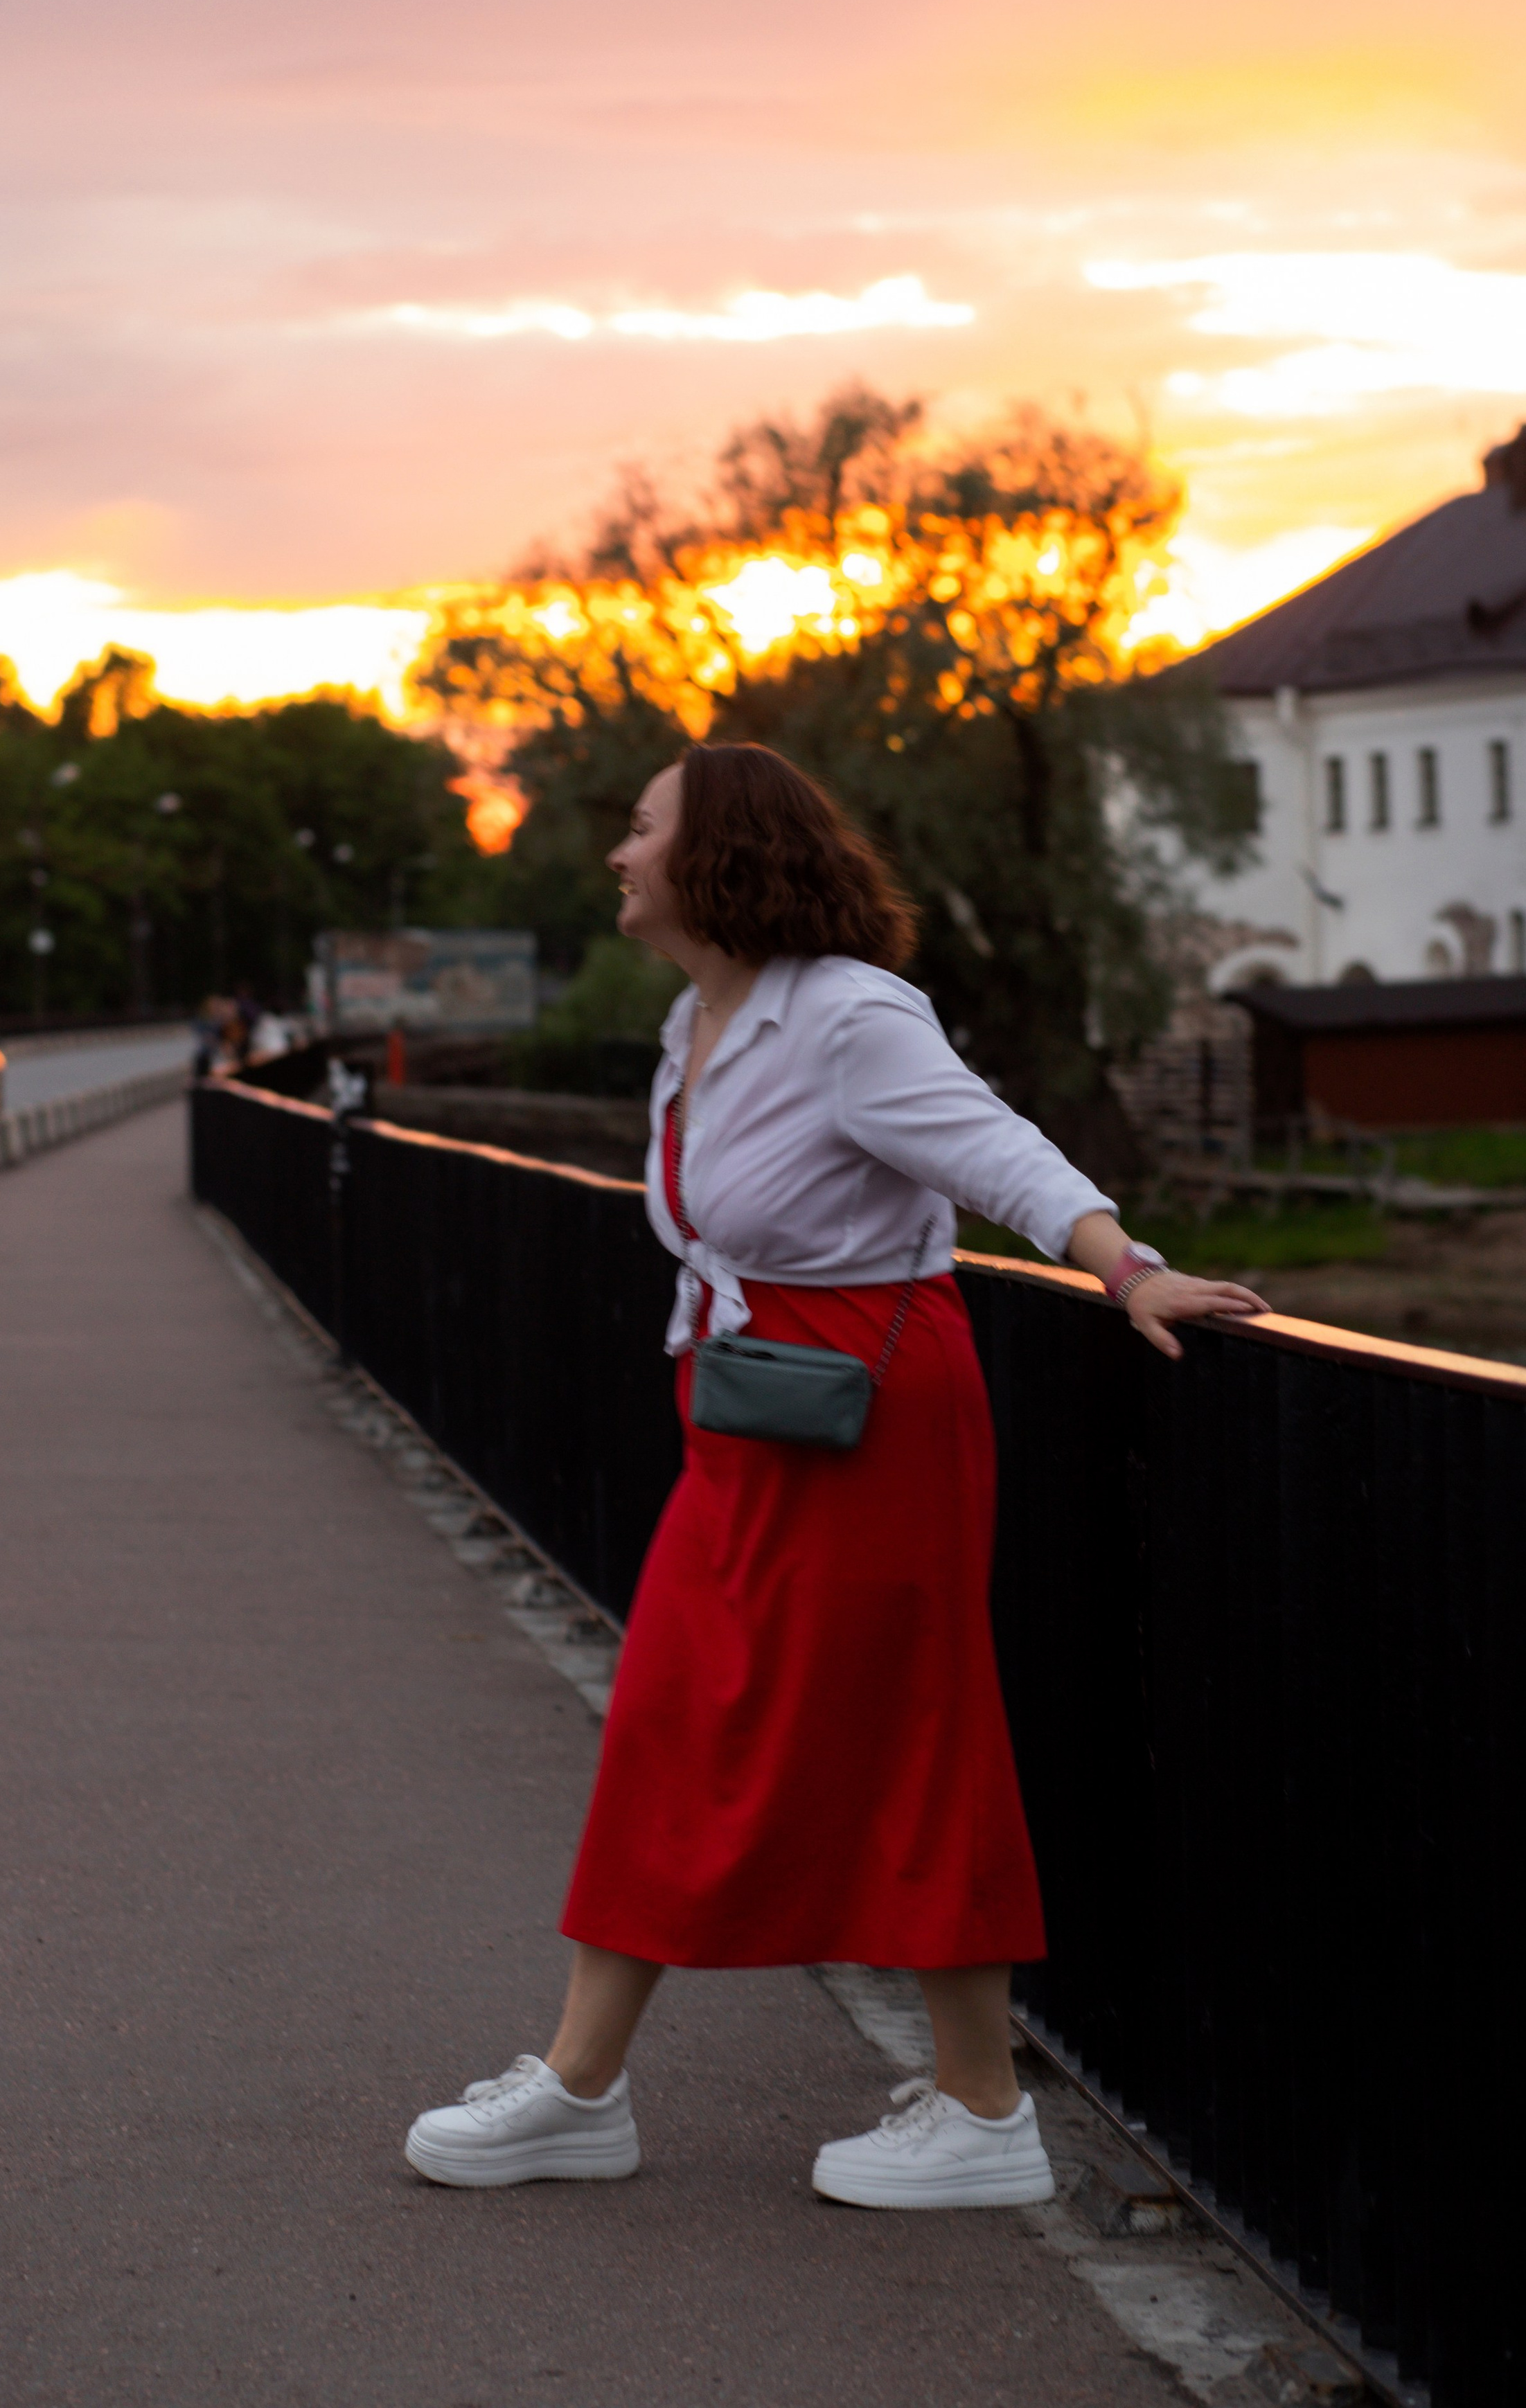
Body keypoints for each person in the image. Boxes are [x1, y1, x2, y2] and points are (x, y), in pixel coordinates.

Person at [405, 744, 1266, 2207]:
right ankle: (579, 2088)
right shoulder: (698, 1016)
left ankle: (981, 2111)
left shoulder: (850, 1014)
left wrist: (1124, 1267)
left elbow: (990, 1147)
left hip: (869, 1412)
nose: (616, 853)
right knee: (673, 1714)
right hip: (747, 1416)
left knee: (912, 1729)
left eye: (639, 827)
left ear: (715, 854)